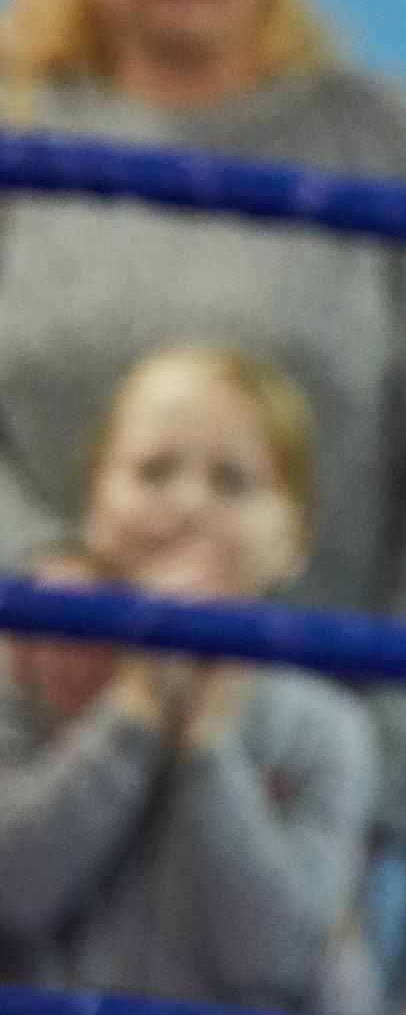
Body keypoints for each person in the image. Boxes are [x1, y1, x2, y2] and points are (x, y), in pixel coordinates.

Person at [0, 0, 406, 921]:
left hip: (308, 791)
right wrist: (44, 575)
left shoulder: (379, 136)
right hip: (27, 762)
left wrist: (373, 779)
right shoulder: (16, 125)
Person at [0, 344, 376, 1012]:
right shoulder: (24, 680)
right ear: (92, 504)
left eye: (233, 481)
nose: (190, 502)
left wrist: (209, 745)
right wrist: (135, 708)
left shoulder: (329, 728)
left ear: (294, 535)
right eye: (152, 470)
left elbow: (278, 953)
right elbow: (12, 891)